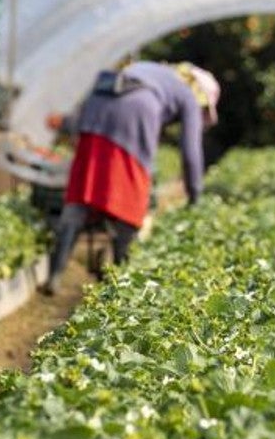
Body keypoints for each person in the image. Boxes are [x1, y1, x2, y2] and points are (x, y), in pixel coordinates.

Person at [40, 61, 220, 294]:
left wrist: (70, 124)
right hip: (136, 114)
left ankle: (55, 275)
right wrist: (195, 194)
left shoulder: (153, 70)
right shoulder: (187, 95)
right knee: (129, 202)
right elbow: (190, 151)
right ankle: (121, 285)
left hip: (97, 105)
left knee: (83, 192)